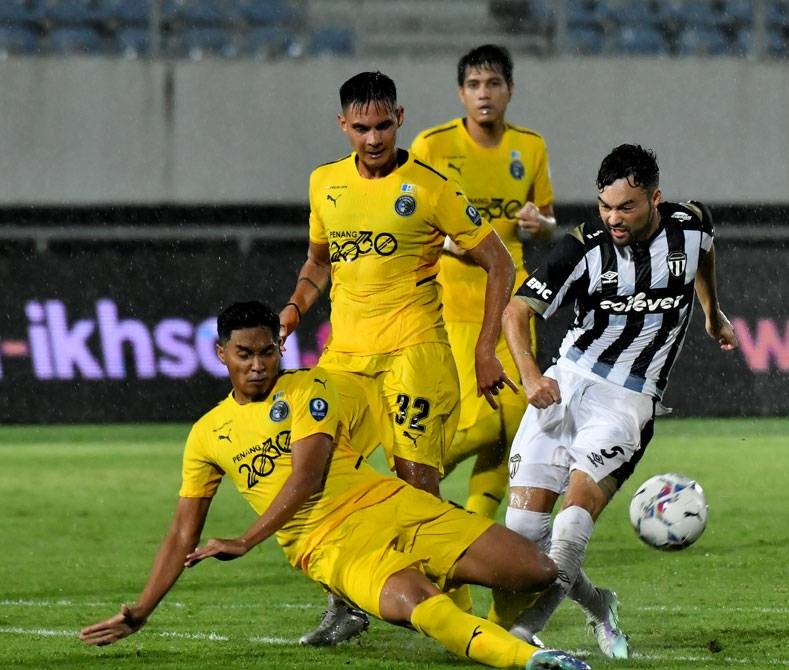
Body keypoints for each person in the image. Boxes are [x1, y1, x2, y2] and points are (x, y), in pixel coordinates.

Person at [78, 301, 589, 670]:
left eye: (267, 352)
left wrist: (246, 539)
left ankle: (490, 635)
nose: (258, 365)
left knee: (537, 571)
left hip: (390, 503)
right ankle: (534, 662)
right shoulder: (207, 435)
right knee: (417, 605)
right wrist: (141, 609)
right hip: (329, 544)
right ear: (220, 354)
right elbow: (180, 533)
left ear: (279, 348)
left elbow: (309, 475)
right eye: (244, 354)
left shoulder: (308, 387)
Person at [278, 71, 517, 643]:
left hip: (414, 351)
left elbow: (500, 263)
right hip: (345, 359)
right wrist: (294, 308)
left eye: (383, 124)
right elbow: (319, 261)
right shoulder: (324, 184)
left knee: (414, 491)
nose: (374, 138)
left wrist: (485, 347)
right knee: (321, 481)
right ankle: (345, 602)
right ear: (343, 125)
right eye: (361, 127)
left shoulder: (430, 186)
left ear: (400, 118)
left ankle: (457, 612)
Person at [500, 144, 739, 658]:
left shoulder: (692, 224)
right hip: (565, 382)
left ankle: (521, 635)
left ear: (655, 198)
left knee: (572, 521)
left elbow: (705, 252)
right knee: (522, 537)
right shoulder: (583, 246)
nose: (613, 218)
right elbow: (516, 312)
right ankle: (599, 604)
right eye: (605, 206)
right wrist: (529, 375)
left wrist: (711, 311)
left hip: (628, 401)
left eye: (626, 207)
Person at [410, 43, 556, 522]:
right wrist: (449, 242)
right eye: (474, 85)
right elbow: (410, 213)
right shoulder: (433, 146)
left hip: (514, 300)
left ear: (510, 90)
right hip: (454, 302)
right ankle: (406, 482)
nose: (484, 93)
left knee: (514, 423)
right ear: (461, 93)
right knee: (477, 424)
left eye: (493, 83)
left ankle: (472, 524)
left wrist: (541, 223)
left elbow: (547, 217)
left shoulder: (529, 147)